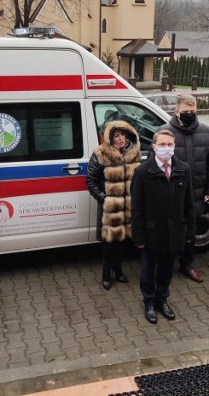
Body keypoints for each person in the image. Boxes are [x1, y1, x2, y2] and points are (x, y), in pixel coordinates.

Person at [131, 129, 196, 324]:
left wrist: (190, 230)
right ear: (154, 146)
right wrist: (138, 236)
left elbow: (189, 203)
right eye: (162, 145)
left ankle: (162, 299)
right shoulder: (142, 172)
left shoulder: (183, 169)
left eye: (170, 145)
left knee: (167, 267)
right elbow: (136, 208)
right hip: (152, 232)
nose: (166, 148)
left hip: (174, 230)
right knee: (148, 270)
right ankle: (149, 301)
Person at [159, 93, 209, 283]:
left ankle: (187, 263)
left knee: (190, 232)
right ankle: (165, 265)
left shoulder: (207, 132)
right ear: (176, 111)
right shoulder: (164, 132)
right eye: (186, 112)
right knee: (169, 231)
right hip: (172, 193)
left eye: (193, 112)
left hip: (197, 192)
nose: (190, 115)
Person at [86, 120, 141, 290]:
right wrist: (105, 199)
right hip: (110, 209)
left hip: (128, 206)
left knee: (122, 239)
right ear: (109, 137)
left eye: (123, 135)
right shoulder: (101, 153)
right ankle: (106, 273)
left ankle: (118, 270)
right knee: (109, 241)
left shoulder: (134, 153)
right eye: (116, 135)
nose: (121, 139)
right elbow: (90, 180)